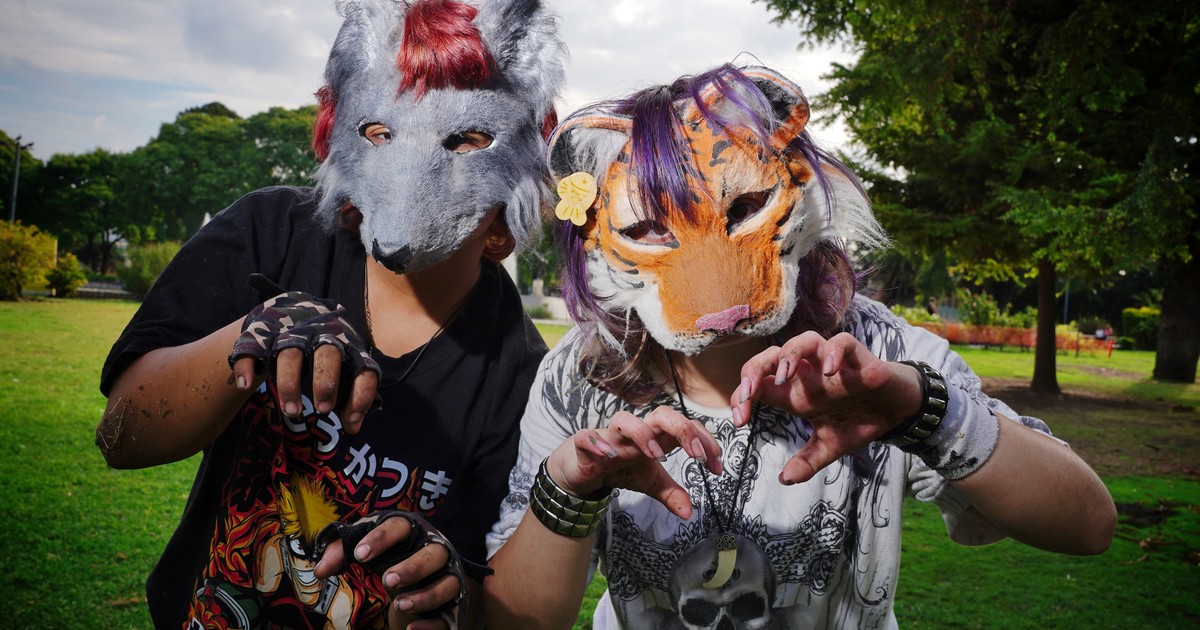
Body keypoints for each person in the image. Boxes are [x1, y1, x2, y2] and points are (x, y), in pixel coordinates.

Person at [483, 64, 1116, 629]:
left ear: (801, 182)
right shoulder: (580, 376)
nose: (714, 290)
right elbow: (517, 622)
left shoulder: (879, 352)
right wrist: (569, 489)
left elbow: (1088, 525)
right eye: (649, 229)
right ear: (594, 239)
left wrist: (921, 410)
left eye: (746, 206)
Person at [96, 0, 563, 628]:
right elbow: (122, 435)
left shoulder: (522, 375)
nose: (410, 184)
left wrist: (445, 586)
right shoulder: (272, 233)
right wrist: (254, 332)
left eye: (465, 139)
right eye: (381, 133)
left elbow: (489, 594)